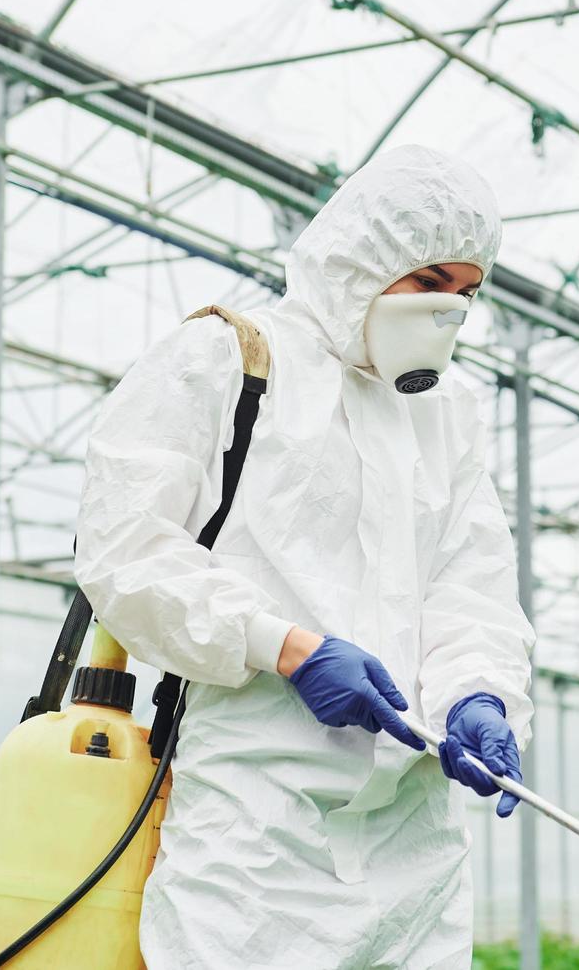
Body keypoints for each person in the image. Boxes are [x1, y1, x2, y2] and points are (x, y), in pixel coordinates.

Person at [74, 145, 535, 969]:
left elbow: (472, 584)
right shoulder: (228, 360)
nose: (449, 314)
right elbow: (122, 549)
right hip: (256, 835)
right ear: (362, 259)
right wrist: (285, 646)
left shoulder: (450, 415)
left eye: (468, 294)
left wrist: (481, 693)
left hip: (414, 842)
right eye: (428, 283)